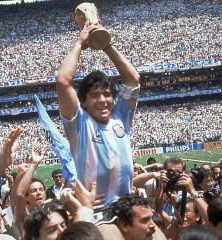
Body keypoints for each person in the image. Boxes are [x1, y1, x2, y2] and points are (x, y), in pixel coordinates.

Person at [56, 20, 140, 204]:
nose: (102, 100)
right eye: (94, 95)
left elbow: (133, 79)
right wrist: (80, 43)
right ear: (83, 102)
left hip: (127, 207)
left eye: (107, 94)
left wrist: (106, 44)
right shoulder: (79, 123)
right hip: (98, 213)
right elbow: (63, 80)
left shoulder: (121, 117)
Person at [98, 194, 165, 240]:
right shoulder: (107, 233)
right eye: (145, 220)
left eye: (151, 218)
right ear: (124, 226)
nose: (153, 225)